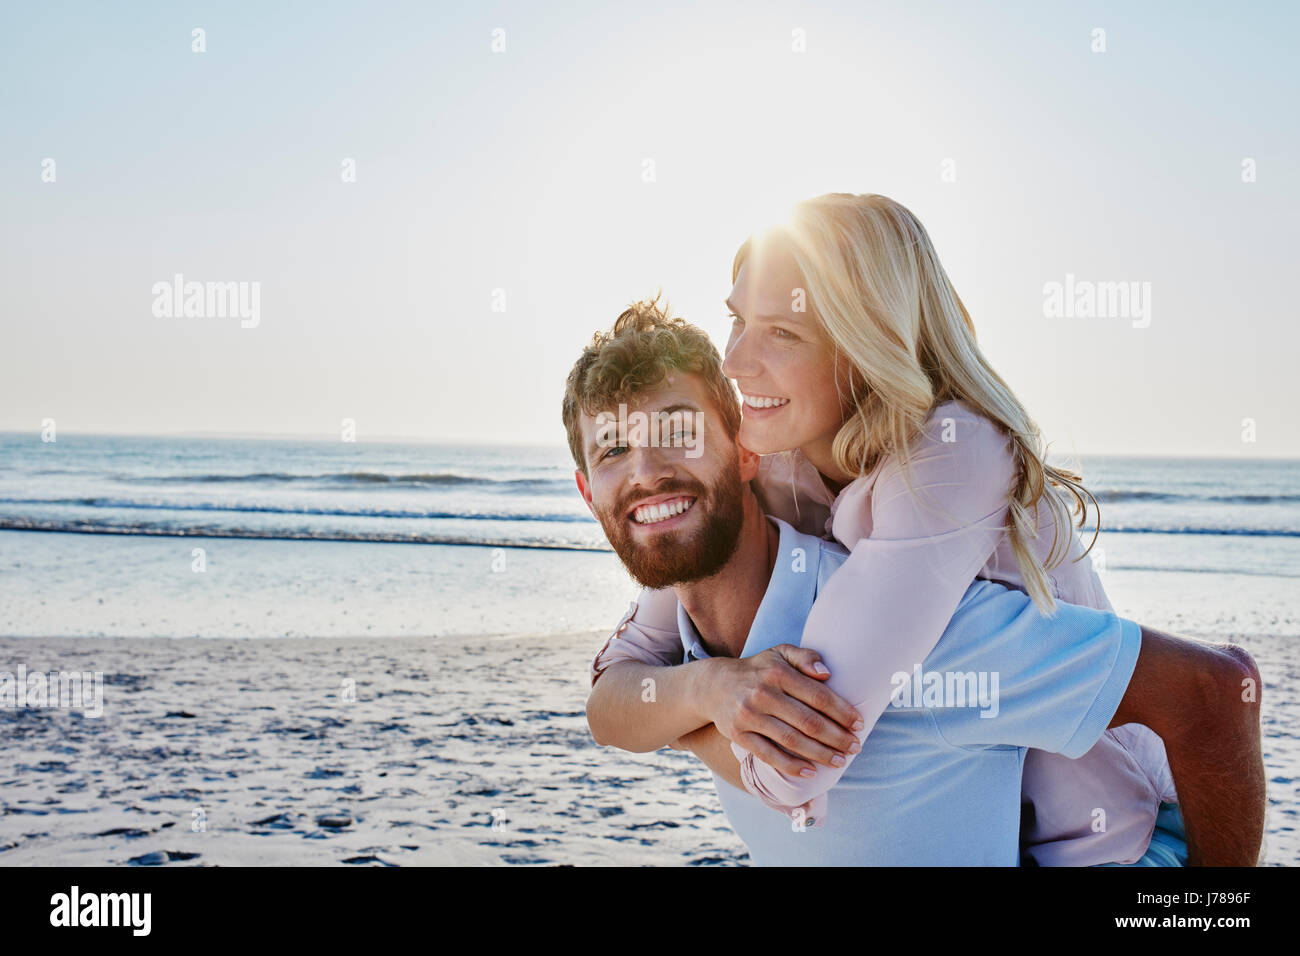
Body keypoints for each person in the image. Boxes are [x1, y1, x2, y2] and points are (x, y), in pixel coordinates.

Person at [568, 300, 1265, 865]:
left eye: (679, 432)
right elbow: (608, 704)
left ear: (747, 450)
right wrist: (710, 691)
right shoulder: (682, 616)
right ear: (586, 490)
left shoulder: (918, 624)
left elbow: (1214, 692)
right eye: (613, 450)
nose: (646, 471)